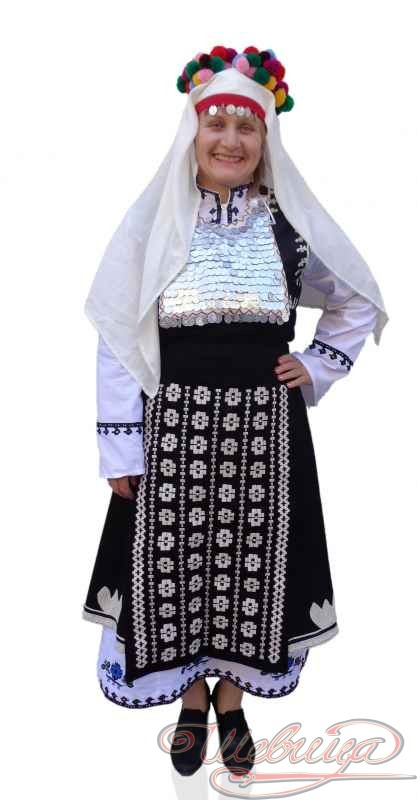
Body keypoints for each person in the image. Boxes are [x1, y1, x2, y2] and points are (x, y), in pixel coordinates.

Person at [82, 45, 388, 776]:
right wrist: (120, 445)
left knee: (252, 572)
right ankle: (190, 699)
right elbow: (117, 337)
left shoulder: (286, 227)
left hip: (265, 432)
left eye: (246, 127)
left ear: (266, 139)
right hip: (172, 431)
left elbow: (354, 297)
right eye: (215, 123)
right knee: (177, 569)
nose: (230, 140)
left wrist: (318, 363)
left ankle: (231, 698)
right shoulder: (155, 224)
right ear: (192, 132)